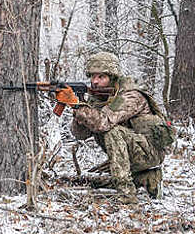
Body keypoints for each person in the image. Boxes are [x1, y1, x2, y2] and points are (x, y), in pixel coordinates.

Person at [71, 52, 174, 204]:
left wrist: (82, 110)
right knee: (92, 179)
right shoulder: (99, 98)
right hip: (131, 154)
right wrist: (78, 110)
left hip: (149, 153)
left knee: (112, 131)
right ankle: (148, 178)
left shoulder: (131, 96)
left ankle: (127, 194)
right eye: (93, 76)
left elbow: (103, 123)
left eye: (101, 77)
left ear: (113, 77)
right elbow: (81, 134)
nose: (95, 81)